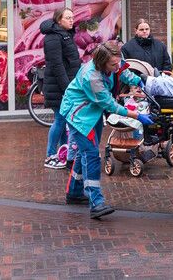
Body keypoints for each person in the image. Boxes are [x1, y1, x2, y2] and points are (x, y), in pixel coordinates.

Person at [61, 40, 144, 219]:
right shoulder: (91, 77)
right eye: (113, 64)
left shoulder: (112, 63)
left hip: (92, 113)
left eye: (117, 62)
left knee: (84, 153)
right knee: (91, 156)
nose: (116, 66)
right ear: (102, 63)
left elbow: (122, 72)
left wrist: (140, 80)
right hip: (80, 116)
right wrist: (136, 115)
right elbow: (108, 103)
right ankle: (96, 202)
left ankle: (74, 192)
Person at [41, 7, 82, 169]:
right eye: (68, 18)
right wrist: (67, 88)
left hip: (66, 85)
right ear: (59, 20)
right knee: (59, 119)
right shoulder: (53, 38)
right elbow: (57, 65)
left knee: (64, 120)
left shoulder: (65, 35)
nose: (72, 20)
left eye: (72, 17)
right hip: (59, 87)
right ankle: (50, 155)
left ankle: (63, 153)